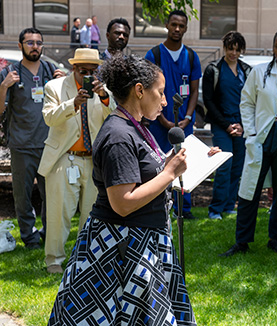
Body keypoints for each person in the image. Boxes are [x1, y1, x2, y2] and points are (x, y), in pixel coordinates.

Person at [47, 53, 197, 326]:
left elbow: (144, 171)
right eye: (160, 93)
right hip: (121, 249)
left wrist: (188, 162)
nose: (164, 101)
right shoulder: (118, 135)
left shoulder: (134, 127)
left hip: (142, 241)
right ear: (139, 91)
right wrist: (169, 174)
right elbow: (123, 202)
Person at [220, 29, 277, 256]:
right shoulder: (259, 73)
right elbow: (247, 103)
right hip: (260, 138)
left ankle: (275, 239)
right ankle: (242, 241)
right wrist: (251, 133)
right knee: (249, 189)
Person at [38, 48, 116, 274]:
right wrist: (73, 103)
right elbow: (49, 118)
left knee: (92, 213)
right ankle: (54, 260)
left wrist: (103, 97)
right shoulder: (54, 87)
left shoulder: (103, 90)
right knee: (58, 212)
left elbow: (114, 117)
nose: (89, 75)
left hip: (93, 160)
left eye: (94, 71)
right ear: (73, 69)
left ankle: (85, 259)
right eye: (84, 71)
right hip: (64, 157)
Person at [0, 27, 65, 249]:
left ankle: (49, 232)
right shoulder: (11, 73)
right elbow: (0, 110)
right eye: (29, 43)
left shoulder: (51, 69)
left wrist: (64, 84)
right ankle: (29, 237)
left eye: (38, 42)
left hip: (50, 145)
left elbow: (66, 106)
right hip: (22, 145)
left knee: (52, 195)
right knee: (23, 196)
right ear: (20, 46)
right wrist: (3, 86)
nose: (35, 46)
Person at [145, 10, 202, 220]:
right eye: (174, 24)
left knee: (184, 163)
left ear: (186, 28)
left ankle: (183, 209)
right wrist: (163, 120)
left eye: (181, 25)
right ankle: (160, 206)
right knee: (160, 164)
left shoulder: (191, 56)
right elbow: (149, 91)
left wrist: (187, 117)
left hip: (184, 124)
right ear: (167, 26)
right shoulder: (154, 55)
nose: (177, 29)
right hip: (160, 123)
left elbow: (194, 90)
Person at [203, 31, 251, 220]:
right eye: (230, 49)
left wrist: (242, 125)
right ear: (224, 48)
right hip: (221, 125)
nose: (233, 53)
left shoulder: (247, 71)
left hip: (242, 126)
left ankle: (230, 206)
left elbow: (251, 100)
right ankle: (215, 209)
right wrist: (227, 126)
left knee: (237, 167)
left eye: (237, 50)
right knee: (224, 165)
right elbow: (208, 100)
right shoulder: (213, 69)